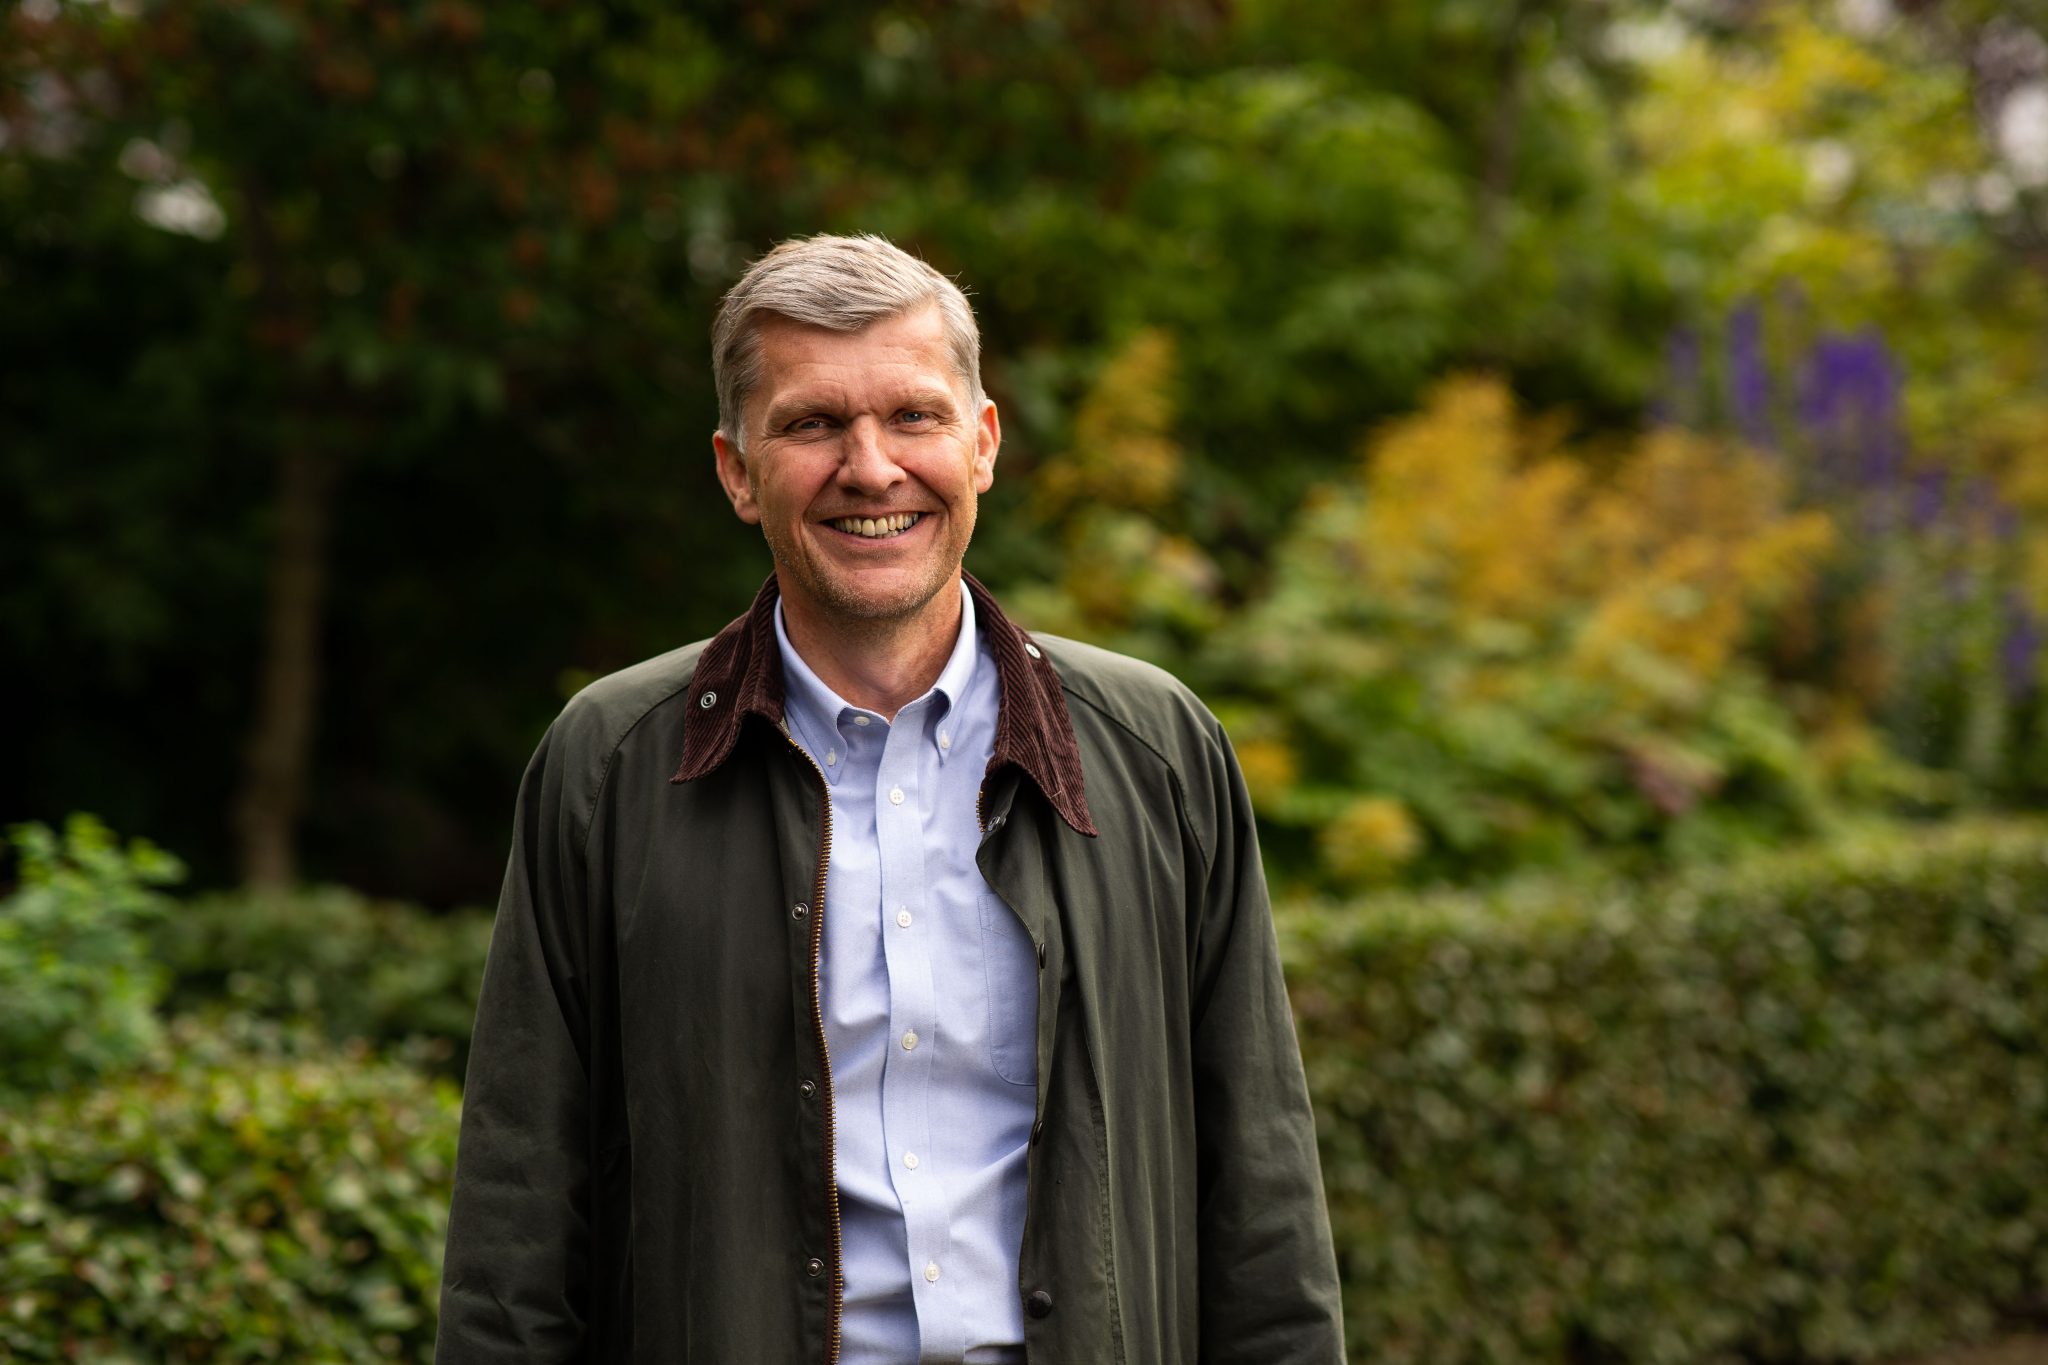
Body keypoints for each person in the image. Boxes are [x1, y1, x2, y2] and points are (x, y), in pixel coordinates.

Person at [435, 234, 1343, 1364]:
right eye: (813, 424)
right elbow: (518, 1214)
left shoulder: (1156, 753)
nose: (870, 469)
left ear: (983, 442)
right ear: (735, 470)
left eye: (914, 416)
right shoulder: (609, 765)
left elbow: (1261, 1193)